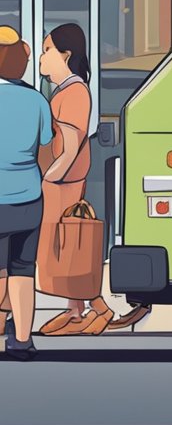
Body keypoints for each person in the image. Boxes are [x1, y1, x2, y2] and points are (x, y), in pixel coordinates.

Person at [31, 24, 120, 336]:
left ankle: (98, 308)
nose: (41, 58)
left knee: (66, 247)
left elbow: (69, 148)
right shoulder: (68, 91)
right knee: (65, 247)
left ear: (65, 55)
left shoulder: (74, 92)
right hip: (59, 182)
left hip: (61, 185)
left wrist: (47, 180)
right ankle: (77, 309)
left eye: (46, 50)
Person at [0, 26, 54, 360]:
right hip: (29, 197)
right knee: (22, 270)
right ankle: (22, 340)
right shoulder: (37, 100)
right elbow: (46, 152)